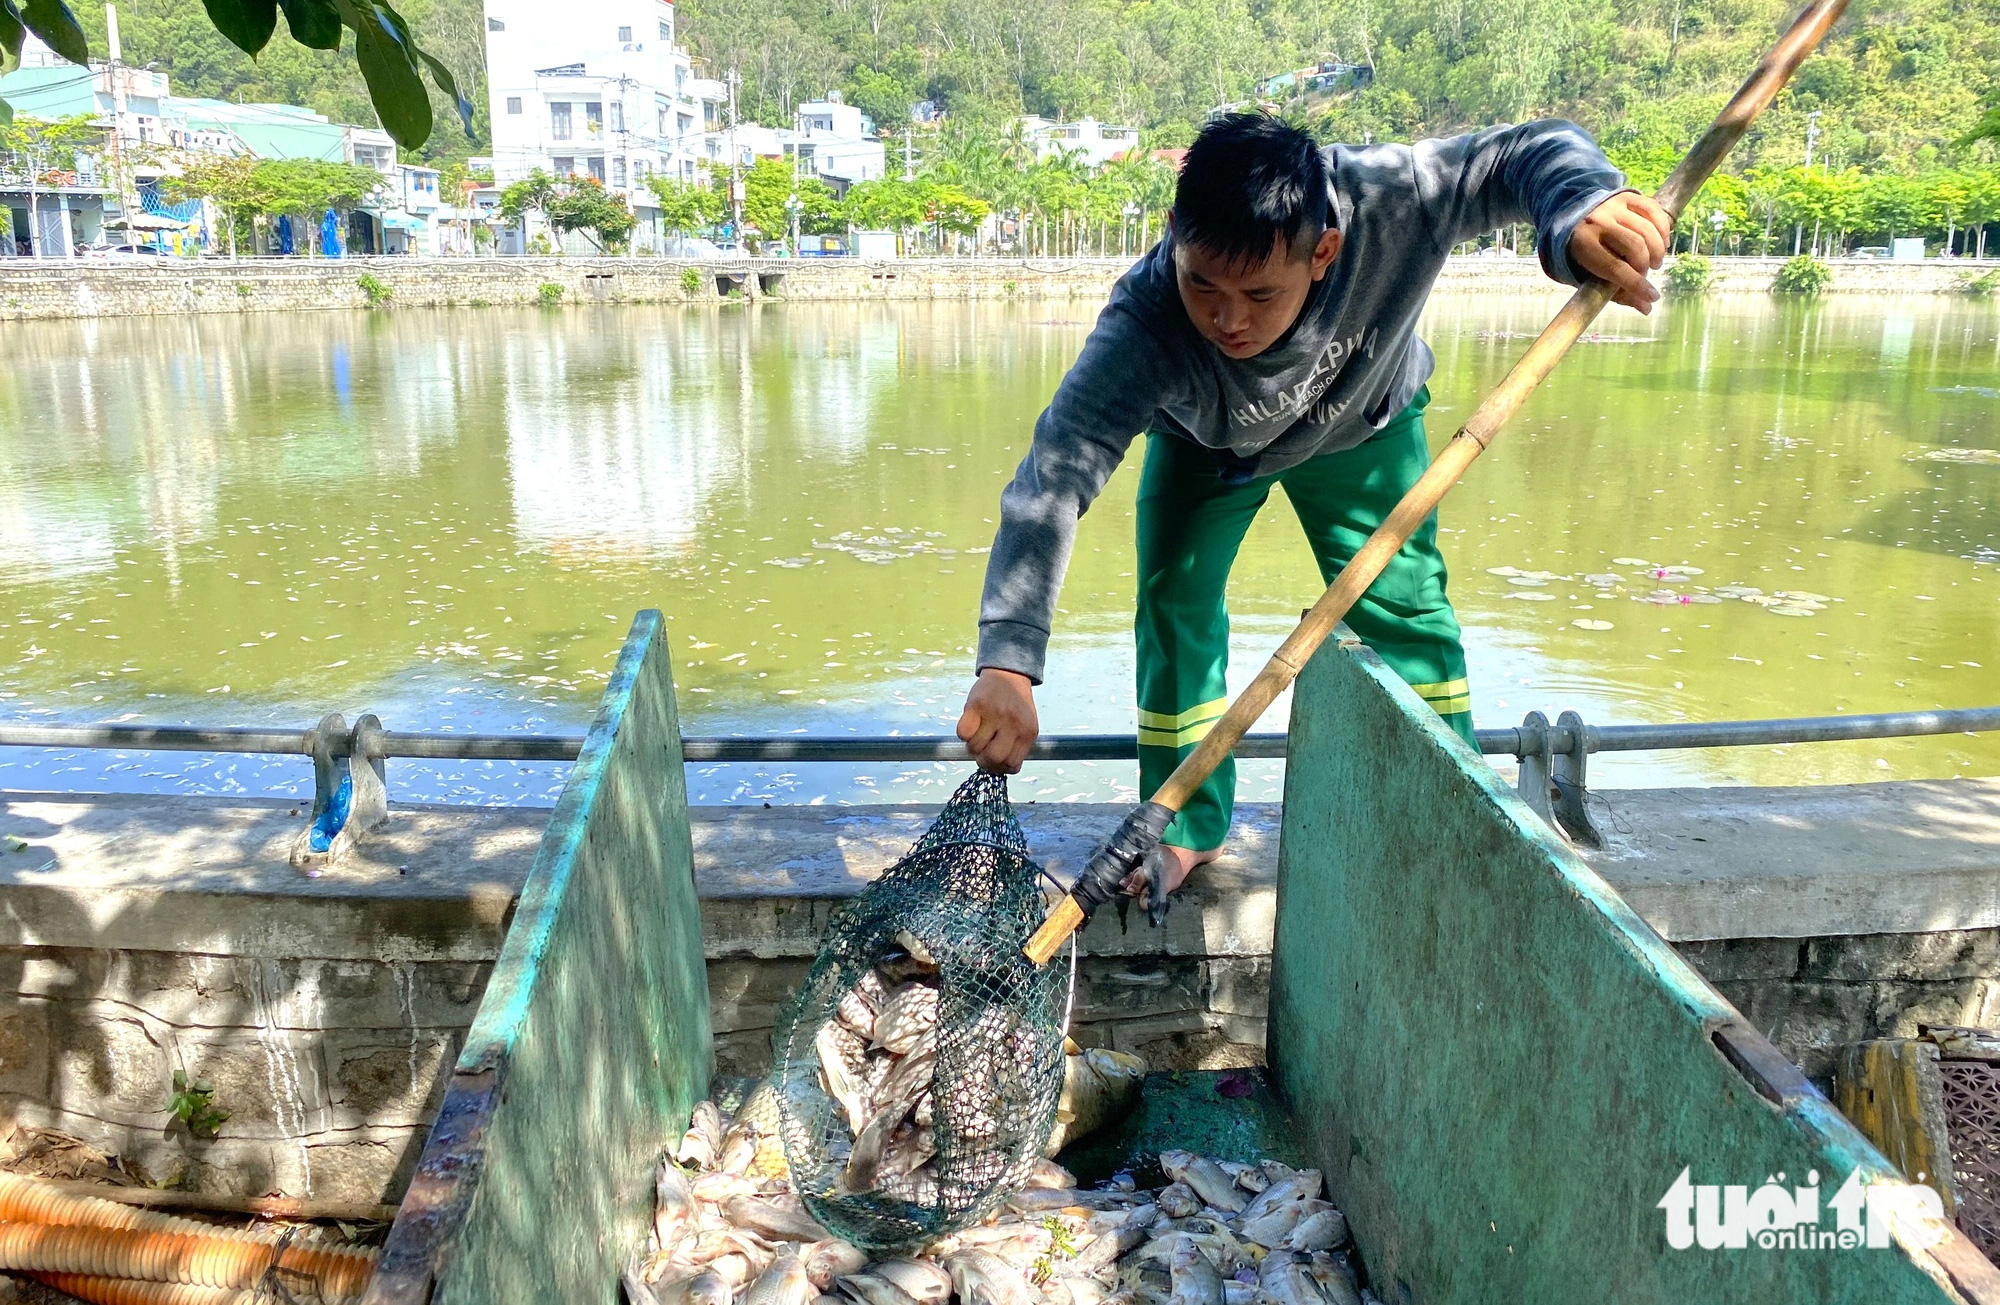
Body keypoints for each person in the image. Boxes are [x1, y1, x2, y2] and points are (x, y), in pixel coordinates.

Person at [956, 112, 1671, 904]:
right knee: (1173, 607)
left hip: (1362, 423)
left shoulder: (1390, 201)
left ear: (1323, 251)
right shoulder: (1146, 323)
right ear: (1173, 237)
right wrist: (1008, 662)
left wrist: (1580, 207)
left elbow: (1523, 151)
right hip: (1211, 450)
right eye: (1204, 285)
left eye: (1260, 293)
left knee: (1409, 616)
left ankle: (1451, 813)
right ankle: (1182, 829)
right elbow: (1052, 479)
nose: (1229, 319)